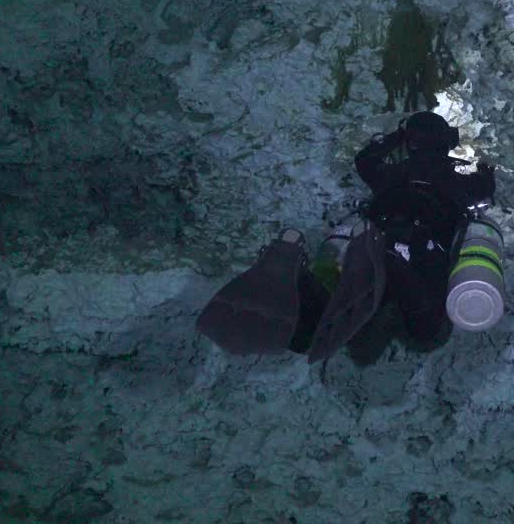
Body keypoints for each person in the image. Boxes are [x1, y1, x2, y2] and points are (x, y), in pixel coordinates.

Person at [196, 111, 496, 362]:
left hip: (374, 239)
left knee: (321, 325)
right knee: (427, 333)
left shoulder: (391, 174)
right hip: (425, 252)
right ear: (447, 141)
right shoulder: (457, 179)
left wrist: (396, 137)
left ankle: (292, 266)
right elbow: (485, 191)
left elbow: (364, 160)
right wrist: (485, 167)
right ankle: (389, 267)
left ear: (411, 142)